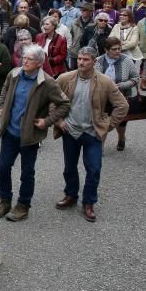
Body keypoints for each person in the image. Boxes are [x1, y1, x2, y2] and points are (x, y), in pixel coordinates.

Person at [0, 44, 70, 223]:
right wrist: (1, 107)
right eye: (23, 58)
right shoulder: (14, 74)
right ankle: (4, 201)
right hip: (10, 132)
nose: (24, 61)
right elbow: (4, 91)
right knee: (3, 168)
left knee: (27, 173)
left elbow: (64, 104)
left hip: (30, 136)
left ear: (39, 63)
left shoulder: (48, 82)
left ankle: (23, 206)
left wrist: (47, 121)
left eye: (29, 59)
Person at [53, 47, 128, 222]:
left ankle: (89, 202)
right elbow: (52, 100)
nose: (81, 62)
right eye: (79, 58)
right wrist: (58, 120)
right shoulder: (65, 78)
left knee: (94, 169)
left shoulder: (105, 81)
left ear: (94, 62)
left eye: (85, 59)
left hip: (92, 133)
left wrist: (107, 125)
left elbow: (122, 106)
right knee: (69, 167)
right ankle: (71, 195)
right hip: (70, 131)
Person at [95, 37, 140, 151]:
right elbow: (93, 79)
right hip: (103, 97)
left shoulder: (127, 61)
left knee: (121, 122)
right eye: (114, 49)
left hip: (121, 96)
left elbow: (135, 78)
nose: (118, 51)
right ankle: (100, 147)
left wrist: (121, 85)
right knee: (103, 121)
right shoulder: (98, 61)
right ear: (106, 49)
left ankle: (121, 138)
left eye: (119, 48)